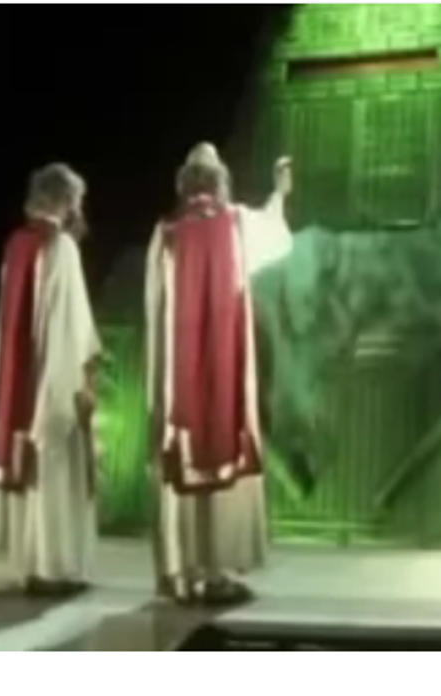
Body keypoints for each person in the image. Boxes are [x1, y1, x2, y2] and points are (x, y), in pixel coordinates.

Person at [144, 143, 292, 605]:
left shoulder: (166, 233)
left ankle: (181, 571)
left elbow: (154, 308)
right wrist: (280, 195)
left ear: (184, 186)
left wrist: (159, 381)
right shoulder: (237, 224)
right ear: (220, 182)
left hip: (180, 384)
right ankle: (217, 574)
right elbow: (277, 238)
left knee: (182, 463)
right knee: (223, 461)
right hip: (223, 379)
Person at [0, 163, 103, 595]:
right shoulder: (60, 246)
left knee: (32, 471)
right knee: (55, 469)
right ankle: (54, 568)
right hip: (53, 379)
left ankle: (31, 565)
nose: (78, 210)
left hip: (18, 384)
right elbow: (70, 323)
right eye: (76, 201)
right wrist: (82, 381)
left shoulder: (17, 244)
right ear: (64, 201)